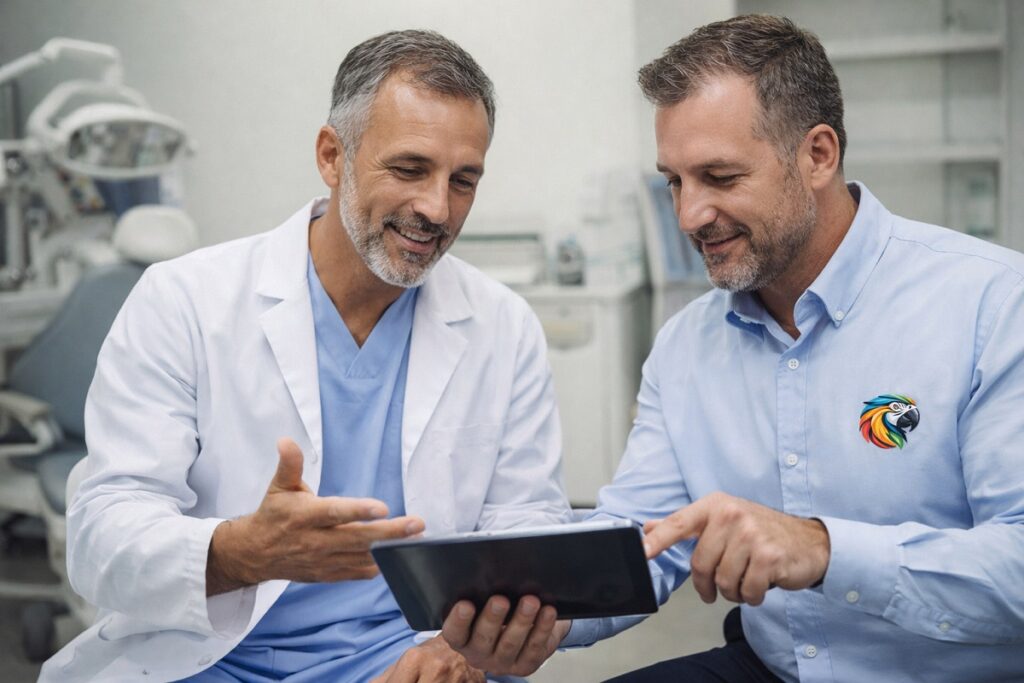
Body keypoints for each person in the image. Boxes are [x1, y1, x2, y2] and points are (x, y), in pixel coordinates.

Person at [442, 14, 1024, 682]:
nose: (689, 215)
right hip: (772, 666)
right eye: (675, 181)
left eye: (719, 177)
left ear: (818, 155)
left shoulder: (993, 305)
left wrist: (826, 548)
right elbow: (645, 544)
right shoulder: (687, 346)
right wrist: (536, 618)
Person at [40, 29, 570, 683]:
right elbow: (99, 537)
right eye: (409, 169)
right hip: (205, 655)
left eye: (463, 180)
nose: (436, 207)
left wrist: (460, 650)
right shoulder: (184, 300)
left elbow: (525, 527)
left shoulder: (503, 326)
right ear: (332, 155)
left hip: (401, 660)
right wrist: (242, 550)